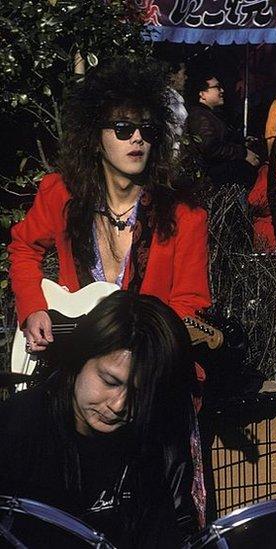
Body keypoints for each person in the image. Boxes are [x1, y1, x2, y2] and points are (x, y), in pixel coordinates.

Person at [9, 57, 212, 354]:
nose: (138, 138)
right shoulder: (60, 193)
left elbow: (191, 303)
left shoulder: (183, 214)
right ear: (94, 139)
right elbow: (24, 247)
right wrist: (33, 310)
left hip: (149, 365)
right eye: (122, 128)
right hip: (74, 360)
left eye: (147, 130)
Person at [0, 291, 199, 547]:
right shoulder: (19, 425)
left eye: (140, 393)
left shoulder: (145, 443)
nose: (119, 405)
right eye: (109, 381)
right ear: (80, 359)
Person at [185, 67, 260, 187]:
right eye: (217, 87)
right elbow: (210, 147)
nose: (222, 90)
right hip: (215, 181)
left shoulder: (209, 115)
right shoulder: (200, 117)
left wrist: (242, 142)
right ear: (202, 94)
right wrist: (243, 153)